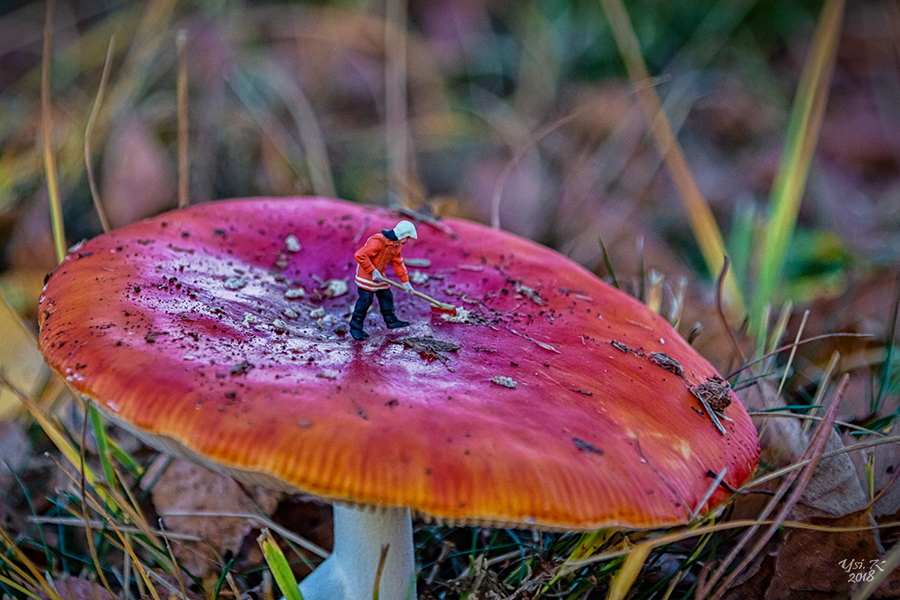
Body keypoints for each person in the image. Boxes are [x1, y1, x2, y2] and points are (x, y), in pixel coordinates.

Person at [349, 220, 417, 340]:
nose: (407, 241)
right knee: (365, 300)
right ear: (402, 235)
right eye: (407, 238)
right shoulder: (378, 241)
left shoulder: (396, 246)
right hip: (366, 273)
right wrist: (372, 270)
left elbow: (398, 264)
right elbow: (360, 255)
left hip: (379, 275)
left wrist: (406, 283)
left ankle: (391, 321)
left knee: (386, 296)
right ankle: (356, 328)